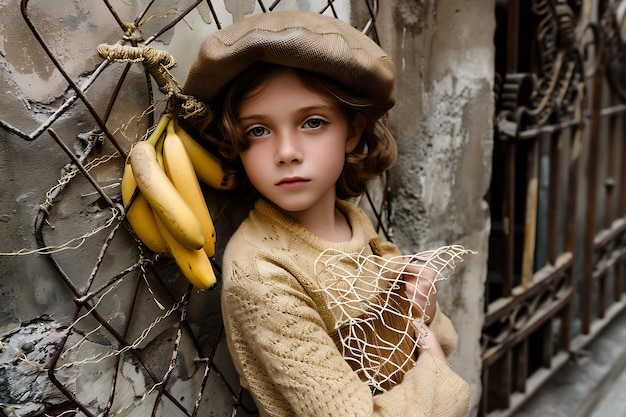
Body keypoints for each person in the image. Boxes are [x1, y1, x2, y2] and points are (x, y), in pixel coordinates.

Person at [180, 10, 471, 417]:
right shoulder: (263, 272)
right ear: (236, 142)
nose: (286, 153)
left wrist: (421, 305)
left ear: (351, 132)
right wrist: (438, 371)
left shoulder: (353, 222)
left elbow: (421, 334)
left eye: (312, 122)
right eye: (258, 131)